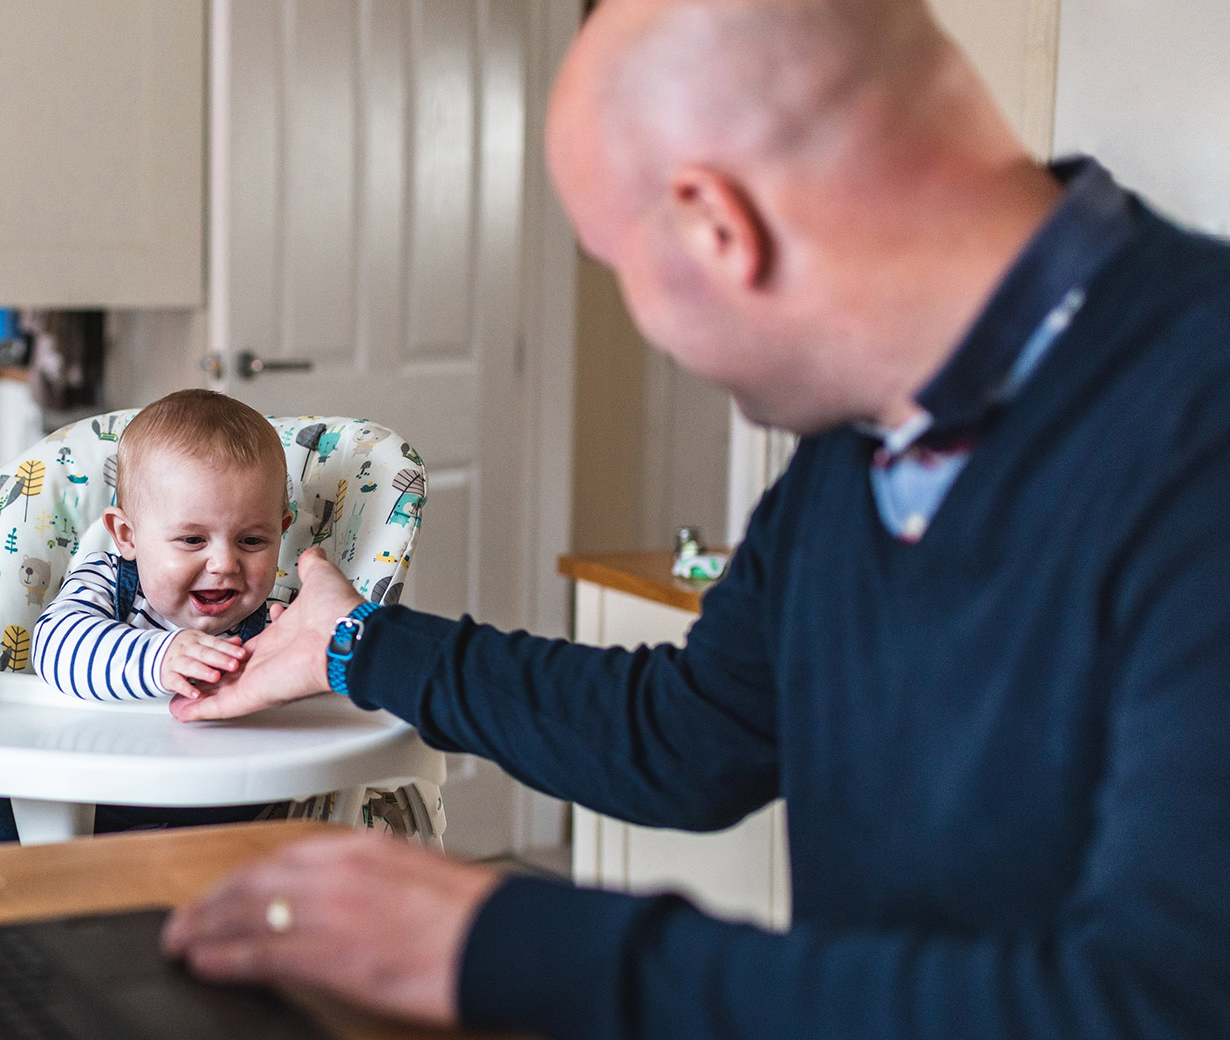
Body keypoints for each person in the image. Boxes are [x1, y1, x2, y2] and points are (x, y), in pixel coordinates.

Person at [159, 1, 1230, 1037]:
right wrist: (354, 643)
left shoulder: (1196, 423)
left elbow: (1150, 1004)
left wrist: (500, 941)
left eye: (620, 267)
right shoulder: (864, 447)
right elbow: (692, 733)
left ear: (720, 225)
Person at [0, 389, 293, 851]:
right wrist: (161, 657)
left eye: (251, 542)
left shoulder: (281, 620)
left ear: (281, 531)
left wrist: (306, 660)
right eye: (192, 540)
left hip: (216, 817)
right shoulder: (107, 580)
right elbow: (56, 644)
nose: (224, 564)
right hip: (68, 793)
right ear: (127, 536)